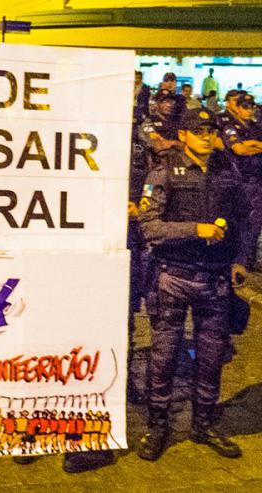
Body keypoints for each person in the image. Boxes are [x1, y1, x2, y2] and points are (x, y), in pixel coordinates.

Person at [137, 108, 250, 461]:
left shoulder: (226, 170)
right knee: (164, 355)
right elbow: (149, 225)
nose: (205, 135)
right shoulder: (163, 171)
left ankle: (204, 423)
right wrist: (195, 229)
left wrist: (241, 260)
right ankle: (158, 426)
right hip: (174, 274)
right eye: (197, 130)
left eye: (209, 130)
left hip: (215, 277)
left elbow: (245, 219)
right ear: (183, 135)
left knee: (212, 356)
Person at [218, 93, 262, 267]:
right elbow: (239, 149)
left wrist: (253, 144)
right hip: (240, 180)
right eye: (245, 106)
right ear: (235, 107)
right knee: (239, 221)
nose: (249, 110)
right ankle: (236, 259)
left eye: (251, 107)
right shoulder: (229, 125)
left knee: (255, 223)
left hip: (256, 179)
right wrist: (253, 145)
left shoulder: (255, 127)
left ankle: (247, 259)